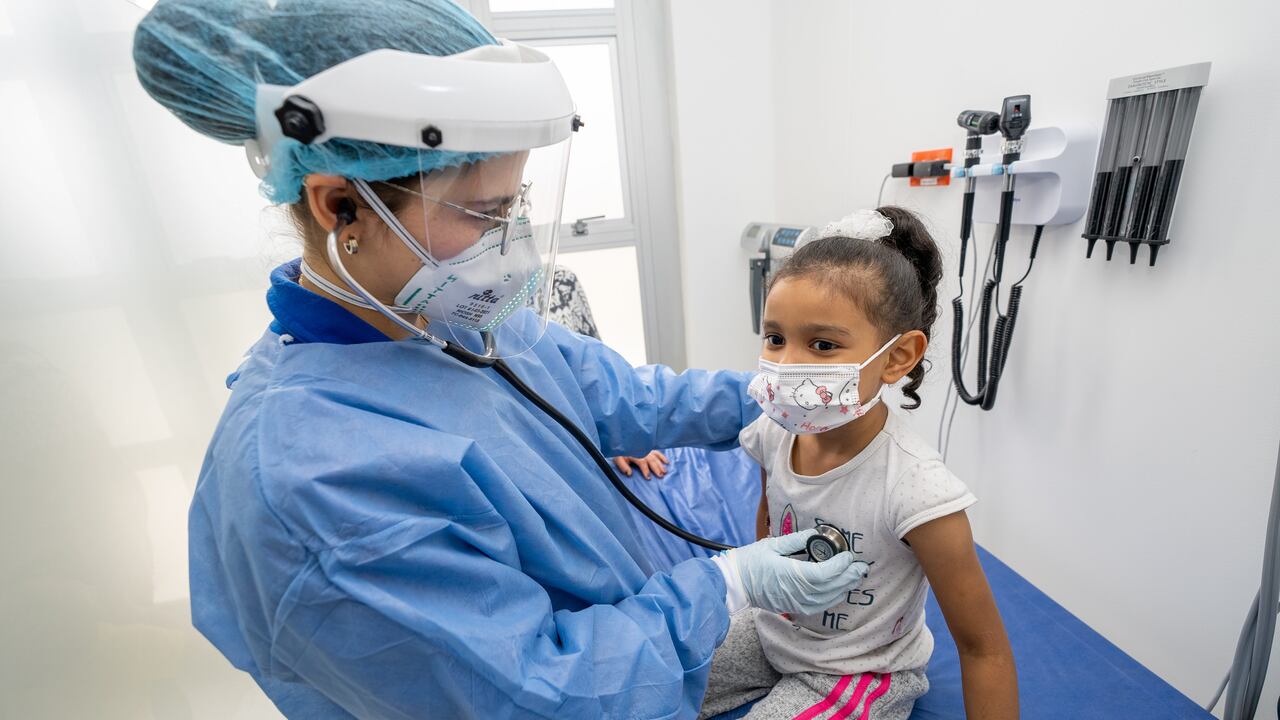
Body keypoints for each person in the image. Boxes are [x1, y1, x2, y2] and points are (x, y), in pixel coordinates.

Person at [132, 1, 867, 718]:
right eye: (484, 213)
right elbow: (533, 692)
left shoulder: (452, 315)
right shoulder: (311, 483)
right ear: (338, 207)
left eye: (515, 206)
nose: (510, 242)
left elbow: (619, 396)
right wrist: (725, 587)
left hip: (635, 661)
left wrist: (780, 390)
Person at [697, 208, 1018, 719]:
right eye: (775, 338)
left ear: (898, 356)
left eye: (822, 344)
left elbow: (984, 649)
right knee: (650, 684)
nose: (786, 365)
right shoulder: (774, 431)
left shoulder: (917, 490)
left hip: (857, 666)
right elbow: (770, 520)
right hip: (773, 629)